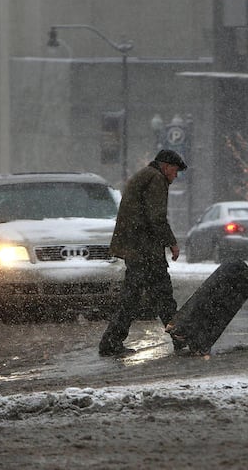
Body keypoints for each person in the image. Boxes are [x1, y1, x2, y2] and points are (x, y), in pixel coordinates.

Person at [99, 149, 188, 358]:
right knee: (162, 296)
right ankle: (181, 338)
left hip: (136, 248)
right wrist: (172, 243)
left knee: (132, 298)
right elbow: (156, 217)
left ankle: (110, 342)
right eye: (175, 171)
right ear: (165, 166)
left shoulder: (145, 176)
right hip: (146, 250)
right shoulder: (156, 179)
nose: (175, 176)